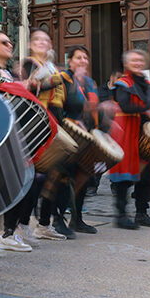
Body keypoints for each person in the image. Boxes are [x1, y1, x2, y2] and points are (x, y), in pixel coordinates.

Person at [0, 32, 36, 252]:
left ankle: (5, 233)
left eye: (10, 42)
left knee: (20, 183)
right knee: (3, 186)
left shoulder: (9, 73)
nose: (9, 45)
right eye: (4, 42)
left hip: (10, 134)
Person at [22, 28, 73, 240]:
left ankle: (44, 223)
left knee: (55, 174)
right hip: (37, 122)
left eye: (46, 39)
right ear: (31, 45)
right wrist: (59, 78)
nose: (43, 42)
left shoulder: (50, 66)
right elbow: (30, 88)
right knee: (34, 177)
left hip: (53, 122)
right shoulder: (28, 64)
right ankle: (21, 224)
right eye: (38, 39)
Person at [107, 50, 150, 229]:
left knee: (147, 175)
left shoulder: (147, 84)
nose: (138, 63)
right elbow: (126, 106)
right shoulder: (123, 84)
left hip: (145, 132)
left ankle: (141, 213)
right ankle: (121, 215)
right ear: (126, 64)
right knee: (124, 177)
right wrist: (148, 107)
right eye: (133, 60)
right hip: (128, 133)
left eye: (140, 60)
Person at [61, 45, 99, 234]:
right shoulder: (64, 80)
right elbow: (59, 107)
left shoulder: (90, 83)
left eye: (85, 57)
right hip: (68, 135)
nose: (83, 61)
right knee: (65, 179)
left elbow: (95, 108)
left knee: (83, 179)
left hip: (87, 136)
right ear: (70, 61)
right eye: (78, 57)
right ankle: (58, 221)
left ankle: (77, 220)